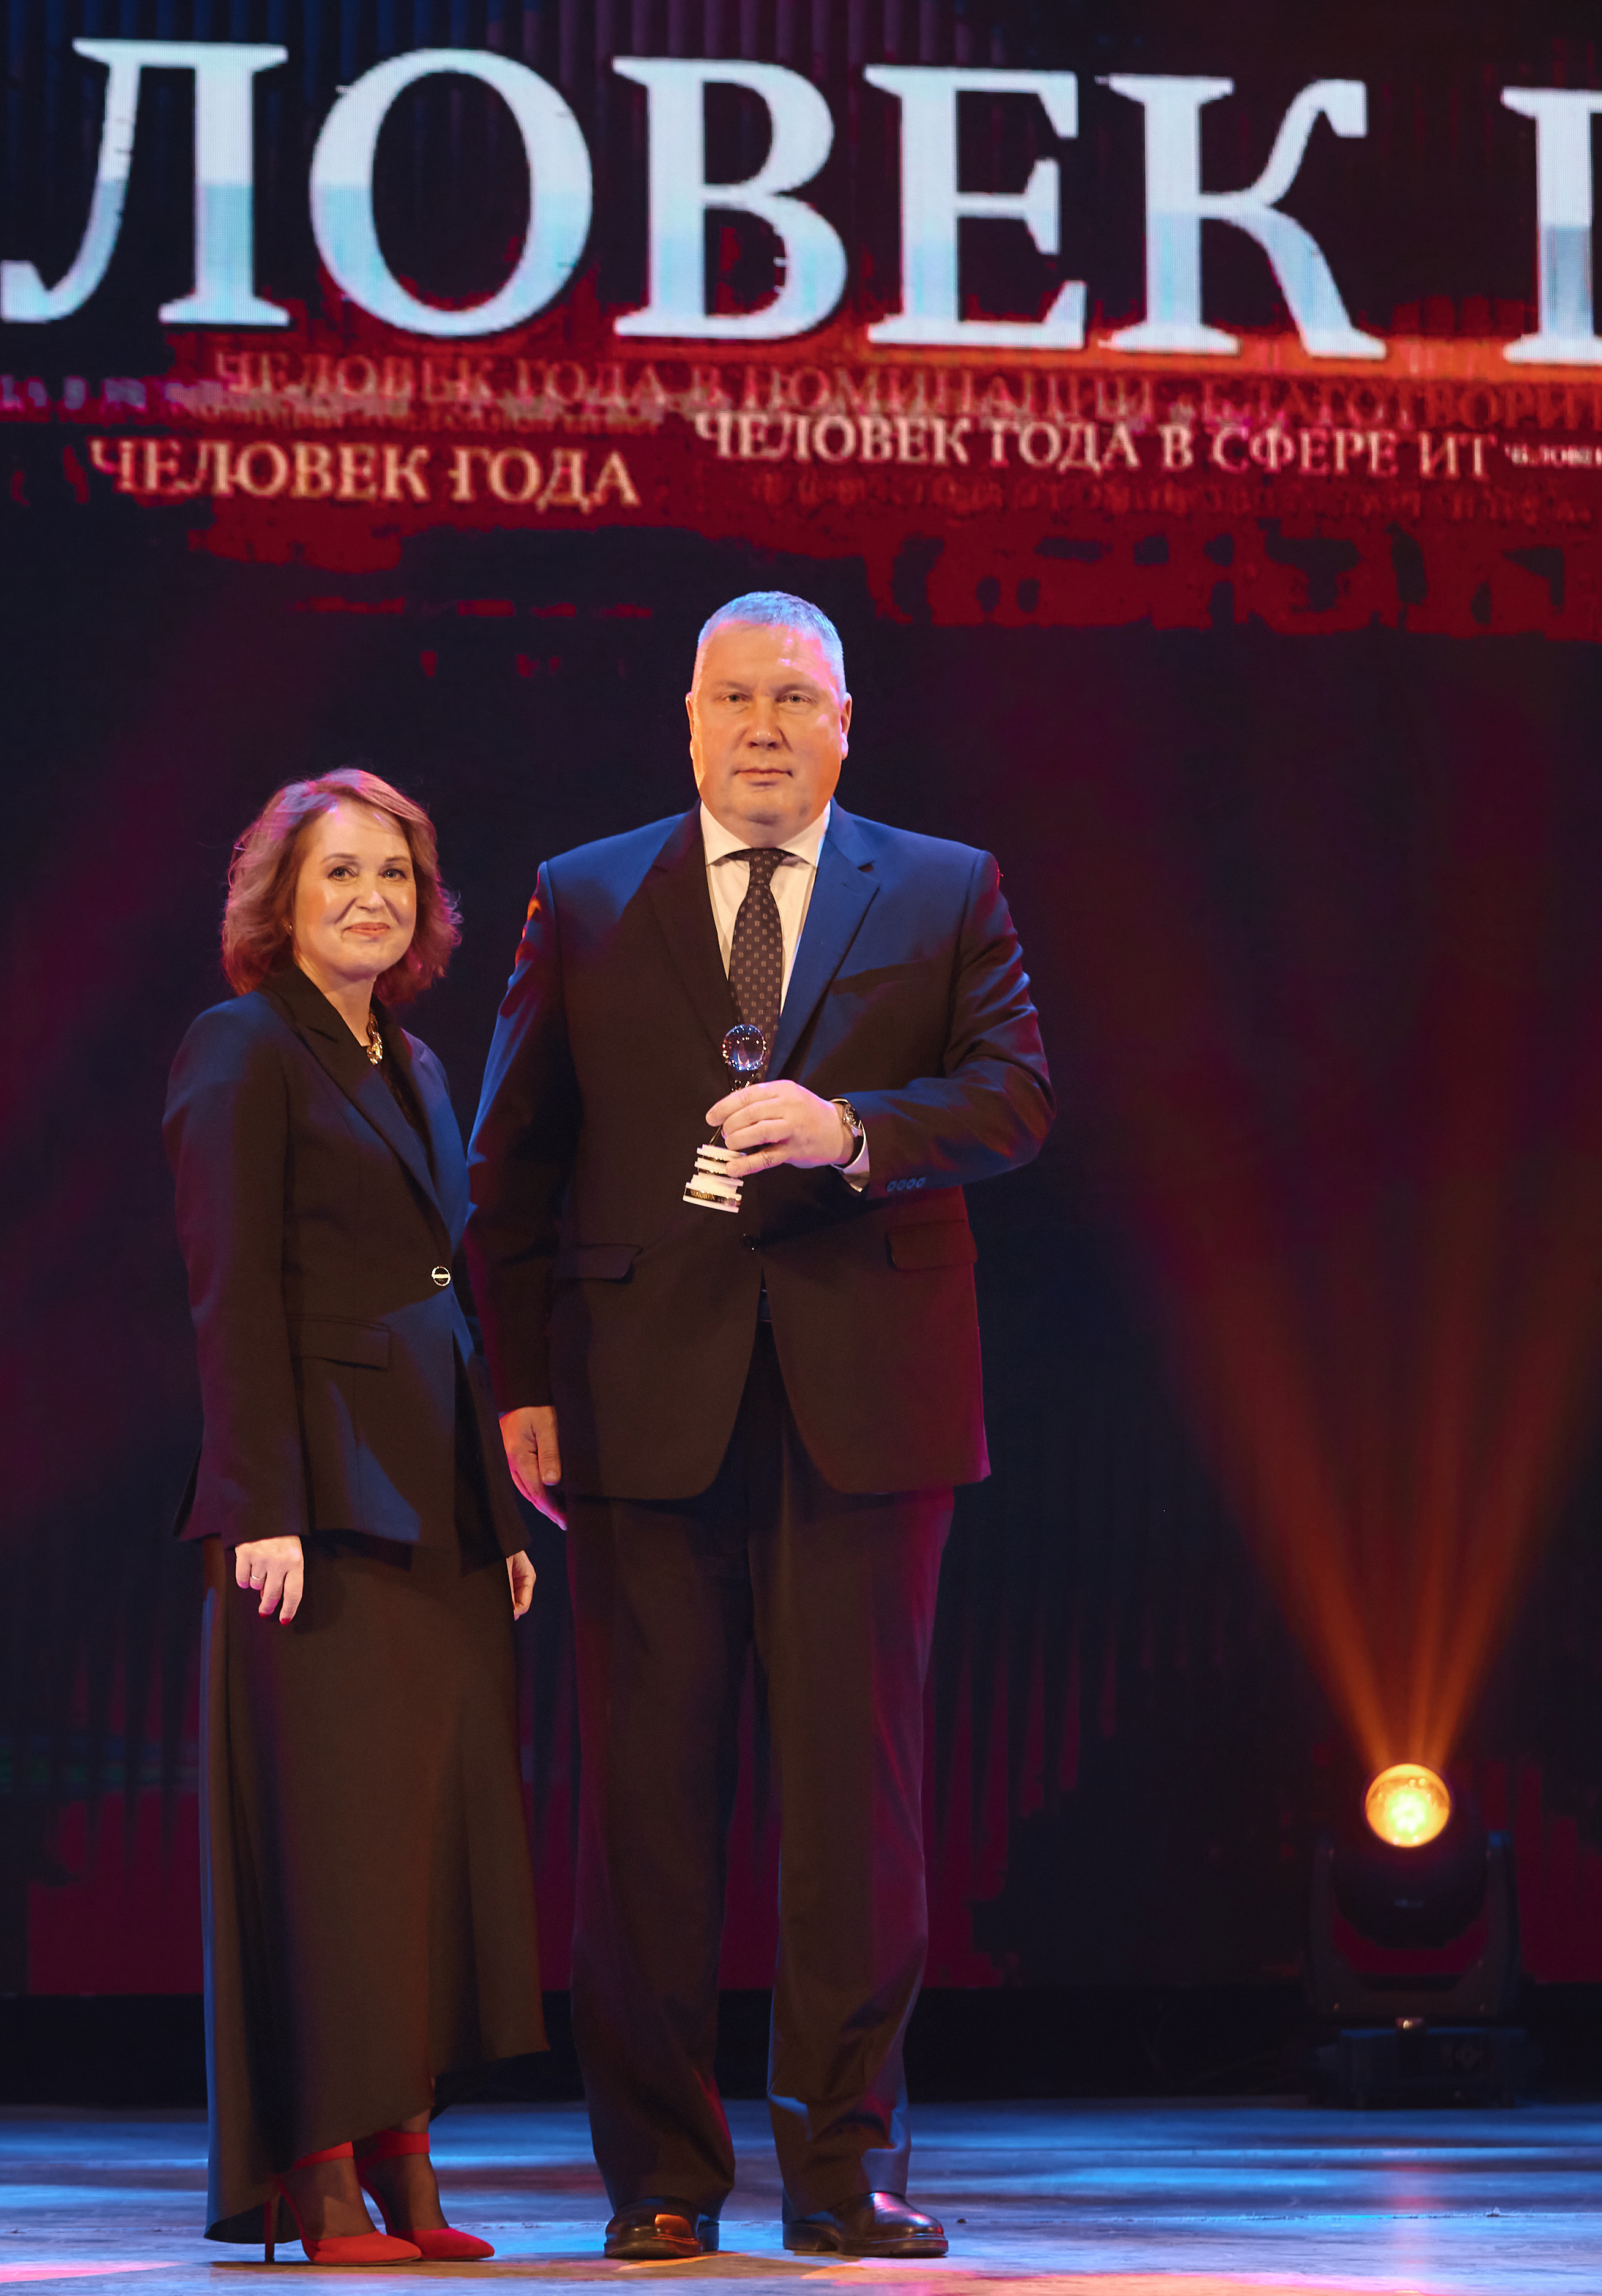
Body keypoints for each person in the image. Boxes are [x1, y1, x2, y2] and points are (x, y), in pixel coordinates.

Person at [467, 591, 1051, 2260]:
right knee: (645, 1811)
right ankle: (658, 2174)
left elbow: (1015, 1095)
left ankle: (840, 2169)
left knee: (855, 1809)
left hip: (867, 1405)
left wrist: (853, 1127)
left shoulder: (944, 885)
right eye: (735, 698)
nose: (765, 727)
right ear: (689, 720)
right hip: (638, 1399)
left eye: (796, 698)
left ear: (846, 722)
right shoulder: (588, 893)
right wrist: (521, 1382)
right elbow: (514, 1159)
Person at [165, 768, 546, 2265]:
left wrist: (494, 1515)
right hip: (314, 1509)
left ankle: (403, 2158)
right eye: (339, 873)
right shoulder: (242, 1047)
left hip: (431, 1504)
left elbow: (448, 1302)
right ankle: (313, 2171)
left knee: (420, 1848)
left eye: (395, 874)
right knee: (331, 1850)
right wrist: (259, 1500)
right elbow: (231, 1292)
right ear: (281, 898)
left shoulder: (415, 1062)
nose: (373, 898)